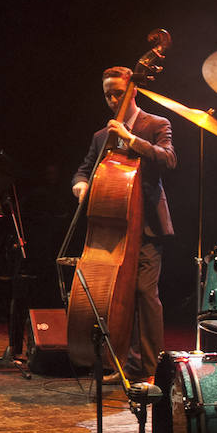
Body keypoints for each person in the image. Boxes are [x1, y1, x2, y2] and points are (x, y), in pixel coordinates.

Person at [71, 66, 177, 383]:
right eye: (107, 94)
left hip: (146, 226)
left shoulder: (157, 123)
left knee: (145, 294)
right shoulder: (100, 136)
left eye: (118, 92)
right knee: (118, 297)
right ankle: (123, 365)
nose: (113, 99)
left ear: (133, 91)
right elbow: (83, 170)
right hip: (115, 229)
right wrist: (80, 185)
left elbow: (169, 158)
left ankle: (150, 369)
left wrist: (131, 140)